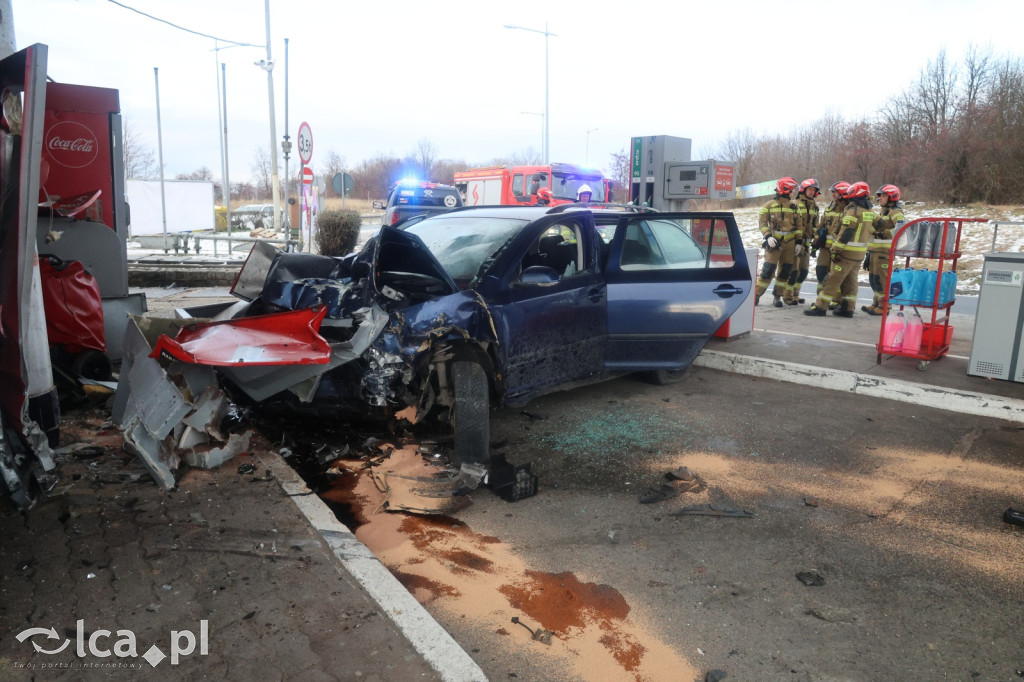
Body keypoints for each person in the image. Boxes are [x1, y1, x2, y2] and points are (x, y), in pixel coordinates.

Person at [805, 181, 876, 317]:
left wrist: (836, 249)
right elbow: (878, 225)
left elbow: (846, 233)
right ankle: (847, 308)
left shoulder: (852, 210)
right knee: (851, 281)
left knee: (832, 279)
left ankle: (820, 306)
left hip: (846, 253)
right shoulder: (869, 210)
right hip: (859, 254)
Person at [754, 176, 801, 307]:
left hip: (790, 243)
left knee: (785, 271)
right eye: (792, 190)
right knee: (768, 270)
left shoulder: (794, 206)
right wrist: (768, 236)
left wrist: (799, 242)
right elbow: (762, 223)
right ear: (785, 190)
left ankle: (777, 297)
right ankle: (756, 295)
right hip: (774, 243)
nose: (794, 192)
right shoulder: (768, 205)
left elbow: (799, 226)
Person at [862, 184, 905, 315]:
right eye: (879, 195)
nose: (880, 198)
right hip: (875, 251)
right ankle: (876, 303)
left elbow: (901, 229)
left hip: (884, 252)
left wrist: (884, 233)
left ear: (892, 197)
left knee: (882, 279)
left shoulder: (896, 212)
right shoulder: (883, 211)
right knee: (874, 279)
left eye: (883, 196)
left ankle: (885, 306)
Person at [811, 181, 849, 306]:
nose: (833, 195)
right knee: (821, 271)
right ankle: (821, 298)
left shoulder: (849, 210)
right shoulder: (830, 207)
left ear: (842, 193)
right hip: (825, 248)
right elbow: (821, 225)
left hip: (839, 250)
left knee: (835, 275)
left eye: (835, 192)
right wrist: (816, 242)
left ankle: (836, 300)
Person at [788, 178, 821, 304]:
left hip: (807, 242)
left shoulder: (814, 206)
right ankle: (788, 295)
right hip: (796, 242)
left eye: (814, 190)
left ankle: (796, 294)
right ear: (803, 190)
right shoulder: (794, 203)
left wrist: (815, 240)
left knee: (804, 270)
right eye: (810, 189)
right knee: (793, 270)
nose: (812, 192)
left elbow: (815, 224)